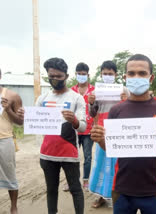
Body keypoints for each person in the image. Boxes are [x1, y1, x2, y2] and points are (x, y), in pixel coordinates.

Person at [90, 54, 156, 214]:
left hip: (154, 188)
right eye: (131, 73)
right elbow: (111, 148)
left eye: (142, 73)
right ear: (125, 77)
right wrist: (100, 140)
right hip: (122, 188)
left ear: (151, 78)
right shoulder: (116, 110)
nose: (136, 77)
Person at [36, 58, 86, 214]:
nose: (55, 79)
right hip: (47, 154)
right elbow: (35, 122)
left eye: (59, 76)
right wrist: (25, 116)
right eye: (52, 76)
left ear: (66, 76)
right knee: (51, 190)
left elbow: (83, 126)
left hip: (69, 153)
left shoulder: (76, 98)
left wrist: (75, 120)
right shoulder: (42, 98)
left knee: (75, 189)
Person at [88, 60, 129, 208]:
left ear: (116, 75)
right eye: (105, 73)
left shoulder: (124, 90)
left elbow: (131, 111)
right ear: (100, 74)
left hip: (119, 130)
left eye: (110, 74)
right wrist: (92, 103)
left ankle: (117, 195)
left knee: (117, 164)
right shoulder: (95, 92)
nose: (107, 76)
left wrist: (126, 101)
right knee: (101, 164)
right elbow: (92, 113)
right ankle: (101, 196)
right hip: (102, 132)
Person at [0, 68, 24, 214]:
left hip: (4, 140)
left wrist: (8, 109)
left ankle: (13, 206)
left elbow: (21, 122)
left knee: (10, 174)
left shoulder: (11, 96)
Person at [69, 62, 95, 191]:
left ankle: (85, 181)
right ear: (75, 75)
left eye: (83, 74)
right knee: (72, 156)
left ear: (88, 75)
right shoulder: (71, 91)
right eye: (79, 74)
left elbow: (97, 108)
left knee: (88, 156)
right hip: (73, 128)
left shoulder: (94, 91)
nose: (81, 76)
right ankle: (72, 181)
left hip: (89, 129)